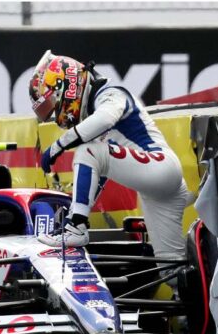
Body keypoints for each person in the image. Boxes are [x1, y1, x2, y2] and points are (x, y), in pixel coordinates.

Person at [29, 50, 194, 260]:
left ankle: (76, 229)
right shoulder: (97, 107)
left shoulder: (111, 94)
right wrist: (75, 210)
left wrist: (58, 146)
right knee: (171, 265)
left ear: (68, 86)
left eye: (53, 103)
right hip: (156, 187)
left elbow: (103, 121)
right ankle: (185, 291)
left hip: (160, 167)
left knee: (87, 150)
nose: (55, 114)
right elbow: (99, 172)